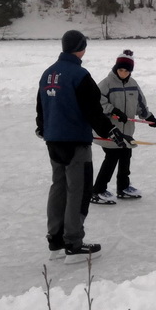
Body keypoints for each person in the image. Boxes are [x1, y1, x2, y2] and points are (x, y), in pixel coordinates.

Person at [36, 29, 131, 263]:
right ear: (81, 48)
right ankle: (73, 243)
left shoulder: (48, 74)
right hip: (75, 143)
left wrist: (42, 127)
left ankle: (56, 240)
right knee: (78, 191)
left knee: (58, 187)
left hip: (53, 140)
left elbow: (41, 106)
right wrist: (111, 132)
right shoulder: (80, 75)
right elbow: (93, 111)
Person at [92, 50, 156, 204]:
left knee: (125, 156)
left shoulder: (133, 84)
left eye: (126, 71)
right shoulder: (106, 83)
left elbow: (140, 104)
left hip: (126, 131)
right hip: (109, 130)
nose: (123, 73)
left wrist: (149, 117)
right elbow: (96, 102)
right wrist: (113, 110)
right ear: (116, 68)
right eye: (120, 70)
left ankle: (123, 187)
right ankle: (97, 190)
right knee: (112, 158)